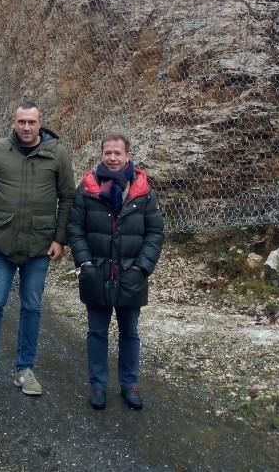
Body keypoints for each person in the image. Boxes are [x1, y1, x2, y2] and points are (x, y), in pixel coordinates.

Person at [0, 100, 75, 397]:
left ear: (40, 123)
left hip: (39, 246)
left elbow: (68, 197)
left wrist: (59, 239)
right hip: (0, 244)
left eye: (31, 122)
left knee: (32, 307)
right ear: (13, 123)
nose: (26, 127)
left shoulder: (57, 154)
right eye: (21, 122)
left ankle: (24, 369)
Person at [67, 133, 164, 411]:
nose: (112, 157)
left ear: (127, 156)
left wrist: (142, 267)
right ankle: (98, 385)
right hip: (96, 273)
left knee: (130, 332)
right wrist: (84, 263)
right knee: (97, 332)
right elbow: (75, 228)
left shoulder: (144, 192)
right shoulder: (87, 188)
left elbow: (155, 233)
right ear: (101, 155)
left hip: (131, 275)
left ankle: (129, 384)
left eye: (117, 153)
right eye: (107, 152)